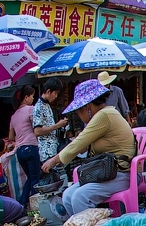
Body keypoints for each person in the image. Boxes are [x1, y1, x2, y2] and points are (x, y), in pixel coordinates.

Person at [41, 80, 137, 218]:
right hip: (107, 173)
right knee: (68, 195)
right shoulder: (101, 116)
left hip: (123, 173)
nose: (79, 115)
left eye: (79, 111)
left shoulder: (104, 115)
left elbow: (78, 144)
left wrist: (54, 160)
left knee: (80, 197)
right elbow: (83, 145)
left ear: (88, 107)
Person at [9, 85, 40, 208]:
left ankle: (22, 204)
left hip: (20, 151)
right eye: (32, 96)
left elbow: (11, 137)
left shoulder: (13, 116)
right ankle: (35, 208)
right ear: (26, 97)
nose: (33, 98)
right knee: (35, 179)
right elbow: (36, 128)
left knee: (30, 178)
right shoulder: (30, 109)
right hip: (30, 147)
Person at [33, 77, 69, 165]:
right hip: (46, 153)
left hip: (52, 150)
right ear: (48, 91)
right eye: (55, 93)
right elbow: (37, 131)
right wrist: (57, 125)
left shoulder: (47, 105)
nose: (56, 96)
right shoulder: (39, 107)